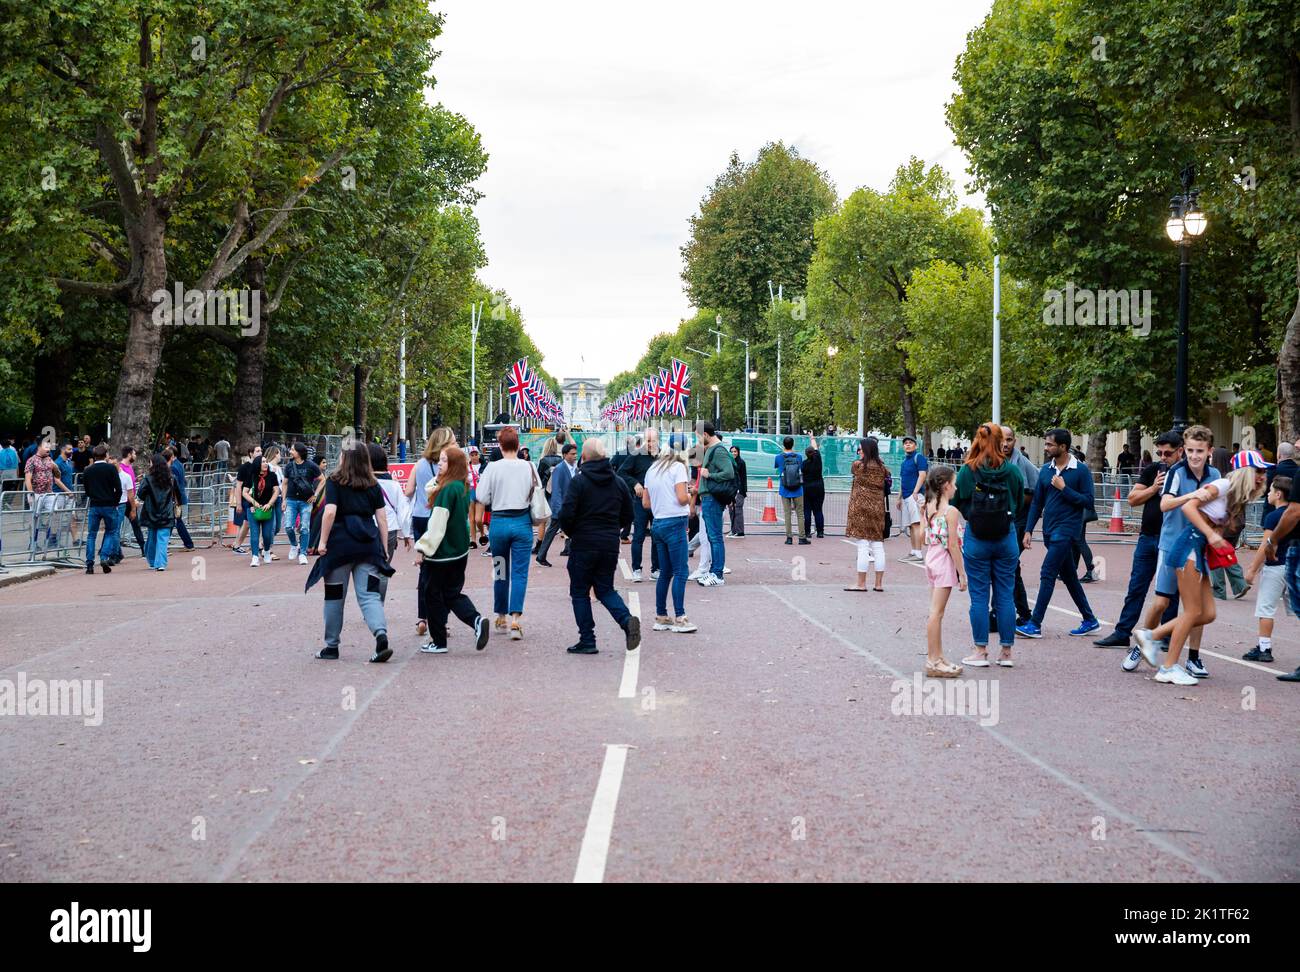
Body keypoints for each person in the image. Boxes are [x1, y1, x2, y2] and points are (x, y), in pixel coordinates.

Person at [1135, 448, 1268, 685]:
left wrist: (1215, 539)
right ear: (1244, 472)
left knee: (1207, 614)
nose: (1262, 476)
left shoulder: (1236, 496)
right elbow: (1188, 507)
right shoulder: (1223, 486)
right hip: (1188, 547)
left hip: (1198, 551)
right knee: (1193, 612)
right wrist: (1212, 535)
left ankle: (1151, 636)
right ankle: (1167, 668)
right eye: (1258, 470)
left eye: (1263, 471)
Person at [1094, 430, 1182, 654]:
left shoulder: (1184, 474)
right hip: (1147, 538)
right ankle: (1122, 633)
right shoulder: (1154, 470)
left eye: (1168, 453)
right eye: (1160, 452)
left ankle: (1166, 635)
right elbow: (1132, 499)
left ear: (1180, 451)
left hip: (1171, 541)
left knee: (1169, 592)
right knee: (1136, 587)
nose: (1163, 457)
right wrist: (1154, 488)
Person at [307, 444, 395, 662]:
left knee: (335, 597)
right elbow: (382, 519)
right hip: (368, 545)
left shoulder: (335, 481)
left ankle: (332, 646)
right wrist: (383, 547)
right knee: (370, 595)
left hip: (339, 547)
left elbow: (329, 512)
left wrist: (322, 543)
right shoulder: (372, 484)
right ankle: (380, 634)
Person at [557, 438, 640, 654]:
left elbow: (566, 513)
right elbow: (628, 513)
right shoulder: (618, 482)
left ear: (584, 457)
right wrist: (614, 528)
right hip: (608, 542)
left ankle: (587, 639)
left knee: (579, 591)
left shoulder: (579, 481)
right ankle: (626, 619)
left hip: (583, 541)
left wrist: (572, 531)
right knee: (605, 589)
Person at [1017, 429, 1100, 639]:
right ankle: (1090, 620)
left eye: (1049, 445)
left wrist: (1065, 489)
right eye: (1045, 444)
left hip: (1067, 531)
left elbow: (1088, 502)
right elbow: (1037, 503)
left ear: (1062, 447)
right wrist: (1028, 529)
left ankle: (1034, 624)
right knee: (1070, 577)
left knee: (1047, 572)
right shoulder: (1045, 471)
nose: (1046, 448)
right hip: (1049, 531)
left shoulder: (1080, 471)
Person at [953, 423, 1024, 667]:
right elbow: (1018, 500)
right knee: (1006, 595)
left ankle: (980, 650)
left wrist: (973, 514)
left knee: (979, 597)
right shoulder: (1012, 471)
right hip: (1006, 536)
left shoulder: (968, 471)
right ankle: (1006, 652)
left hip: (977, 537)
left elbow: (958, 500)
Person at [416, 445, 489, 655]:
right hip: (459, 550)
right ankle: (475, 620)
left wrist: (423, 549)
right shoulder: (461, 485)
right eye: (439, 460)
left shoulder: (447, 490)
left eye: (444, 460)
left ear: (454, 464)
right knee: (452, 594)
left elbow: (437, 525)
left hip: (441, 553)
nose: (439, 463)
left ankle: (438, 641)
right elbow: (431, 487)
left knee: (432, 595)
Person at [475, 426, 536, 640]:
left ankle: (500, 615)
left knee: (500, 570)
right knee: (520, 573)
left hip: (499, 523)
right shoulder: (529, 466)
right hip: (521, 523)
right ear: (518, 445)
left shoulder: (492, 468)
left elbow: (482, 496)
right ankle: (516, 620)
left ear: (500, 446)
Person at [406, 427, 456, 637]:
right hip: (438, 517)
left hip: (419, 517)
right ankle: (440, 621)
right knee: (442, 570)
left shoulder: (419, 464)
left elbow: (408, 491)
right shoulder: (448, 465)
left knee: (424, 569)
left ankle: (422, 617)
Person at [644, 439, 696, 633]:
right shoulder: (678, 468)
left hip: (658, 522)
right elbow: (682, 498)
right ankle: (680, 617)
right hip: (675, 522)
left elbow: (646, 504)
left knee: (665, 572)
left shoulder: (652, 469)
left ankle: (661, 615)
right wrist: (691, 495)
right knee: (681, 571)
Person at [921, 465, 965, 678]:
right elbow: (953, 545)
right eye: (954, 483)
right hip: (944, 562)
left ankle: (938, 656)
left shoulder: (928, 506)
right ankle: (933, 660)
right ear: (946, 485)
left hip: (931, 557)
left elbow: (922, 537)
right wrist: (962, 573)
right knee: (936, 614)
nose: (956, 487)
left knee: (935, 612)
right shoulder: (951, 511)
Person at [993, 426, 1038, 630]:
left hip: (1019, 519)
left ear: (1015, 440)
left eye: (1009, 440)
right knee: (1008, 566)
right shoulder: (996, 459)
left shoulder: (1018, 463)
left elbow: (1029, 494)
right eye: (1002, 440)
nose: (1005, 444)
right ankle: (1021, 614)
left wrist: (1007, 501)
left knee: (1007, 566)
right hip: (1005, 519)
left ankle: (1015, 614)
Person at [1244, 475, 1292, 663]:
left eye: (1271, 491)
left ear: (1278, 494)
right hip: (1294, 564)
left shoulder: (1273, 517)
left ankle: (1264, 648)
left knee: (1266, 609)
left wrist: (1252, 569)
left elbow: (1266, 545)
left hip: (1275, 566)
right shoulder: (1295, 514)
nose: (1268, 494)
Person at [844, 437, 889, 591]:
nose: (859, 451)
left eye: (861, 448)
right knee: (878, 545)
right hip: (877, 508)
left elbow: (853, 468)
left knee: (863, 545)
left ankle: (861, 583)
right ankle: (878, 584)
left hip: (861, 509)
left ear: (866, 450)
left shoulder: (858, 466)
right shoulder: (882, 468)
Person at [695, 422, 735, 586]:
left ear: (705, 435)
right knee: (713, 537)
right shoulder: (712, 449)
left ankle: (717, 574)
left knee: (715, 537)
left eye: (698, 435)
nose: (696, 439)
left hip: (712, 498)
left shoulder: (718, 450)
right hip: (709, 498)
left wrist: (709, 475)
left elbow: (729, 473)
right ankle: (714, 571)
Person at [618, 430, 660, 582]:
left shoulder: (663, 456)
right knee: (639, 536)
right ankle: (636, 569)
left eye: (652, 441)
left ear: (657, 440)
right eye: (647, 441)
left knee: (657, 536)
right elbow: (621, 472)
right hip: (641, 502)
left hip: (659, 503)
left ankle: (656, 569)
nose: (649, 444)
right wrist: (635, 484)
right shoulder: (636, 455)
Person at [536, 441, 577, 566]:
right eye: (572, 454)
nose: (575, 456)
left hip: (571, 507)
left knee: (571, 531)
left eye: (576, 454)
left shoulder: (575, 468)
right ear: (564, 455)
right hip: (562, 508)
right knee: (552, 531)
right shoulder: (559, 469)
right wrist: (558, 510)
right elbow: (557, 490)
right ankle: (541, 556)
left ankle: (542, 555)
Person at [82, 445, 122, 573]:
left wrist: (93, 496)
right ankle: (104, 557)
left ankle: (89, 563)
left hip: (95, 505)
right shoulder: (111, 468)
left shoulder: (88, 470)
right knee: (110, 531)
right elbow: (119, 488)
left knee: (91, 535)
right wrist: (115, 501)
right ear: (106, 455)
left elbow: (87, 489)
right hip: (109, 504)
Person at [282, 442, 322, 564]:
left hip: (306, 501)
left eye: (293, 450)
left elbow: (322, 479)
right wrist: (283, 500)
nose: (290, 451)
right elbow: (284, 483)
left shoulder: (311, 465)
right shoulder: (289, 466)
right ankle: (294, 545)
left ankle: (303, 553)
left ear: (299, 452)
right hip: (291, 499)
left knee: (305, 528)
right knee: (288, 527)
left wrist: (315, 495)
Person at [369, 443, 409, 562]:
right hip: (389, 528)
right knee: (383, 567)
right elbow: (402, 510)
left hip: (366, 528)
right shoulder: (394, 484)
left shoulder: (361, 483)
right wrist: (406, 533)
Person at [138, 453, 179, 570]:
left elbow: (141, 494)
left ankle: (152, 560)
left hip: (151, 511)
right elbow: (176, 494)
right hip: (167, 512)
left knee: (152, 538)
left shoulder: (148, 478)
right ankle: (160, 563)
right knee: (163, 539)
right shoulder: (171, 478)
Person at [897, 434, 929, 561]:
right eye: (905, 443)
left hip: (913, 495)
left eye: (910, 442)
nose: (908, 444)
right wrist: (899, 497)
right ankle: (914, 551)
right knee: (911, 525)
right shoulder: (904, 462)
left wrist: (915, 492)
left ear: (915, 445)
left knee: (916, 524)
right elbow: (902, 480)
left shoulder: (919, 457)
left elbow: (922, 475)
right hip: (906, 496)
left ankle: (919, 553)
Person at [775, 436, 809, 544]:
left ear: (783, 445)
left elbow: (777, 468)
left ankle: (789, 538)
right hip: (798, 488)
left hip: (784, 487)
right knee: (800, 513)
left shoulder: (779, 457)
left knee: (787, 513)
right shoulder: (798, 457)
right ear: (793, 444)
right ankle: (802, 537)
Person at [163, 447, 195, 550]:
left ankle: (188, 544)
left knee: (176, 521)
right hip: (178, 497)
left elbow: (173, 484)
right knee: (175, 521)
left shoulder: (173, 467)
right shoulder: (179, 464)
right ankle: (187, 543)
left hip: (176, 498)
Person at [802, 438, 826, 539]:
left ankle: (807, 532)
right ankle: (820, 532)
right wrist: (812, 437)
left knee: (807, 510)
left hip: (807, 487)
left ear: (806, 454)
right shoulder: (818, 460)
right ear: (814, 453)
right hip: (818, 487)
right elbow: (816, 447)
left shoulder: (804, 463)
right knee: (818, 510)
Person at [726, 445, 747, 538]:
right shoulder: (728, 462)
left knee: (738, 510)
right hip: (731, 490)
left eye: (735, 451)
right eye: (732, 451)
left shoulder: (741, 462)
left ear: (738, 452)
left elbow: (743, 478)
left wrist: (742, 491)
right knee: (731, 510)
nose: (733, 453)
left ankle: (740, 532)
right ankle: (733, 530)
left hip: (739, 490)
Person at [467, 445, 485, 547]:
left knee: (478, 519)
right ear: (469, 456)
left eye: (476, 454)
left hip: (481, 492)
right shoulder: (466, 467)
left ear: (479, 455)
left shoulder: (484, 466)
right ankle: (473, 541)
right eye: (472, 455)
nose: (474, 457)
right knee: (472, 519)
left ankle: (482, 533)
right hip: (470, 492)